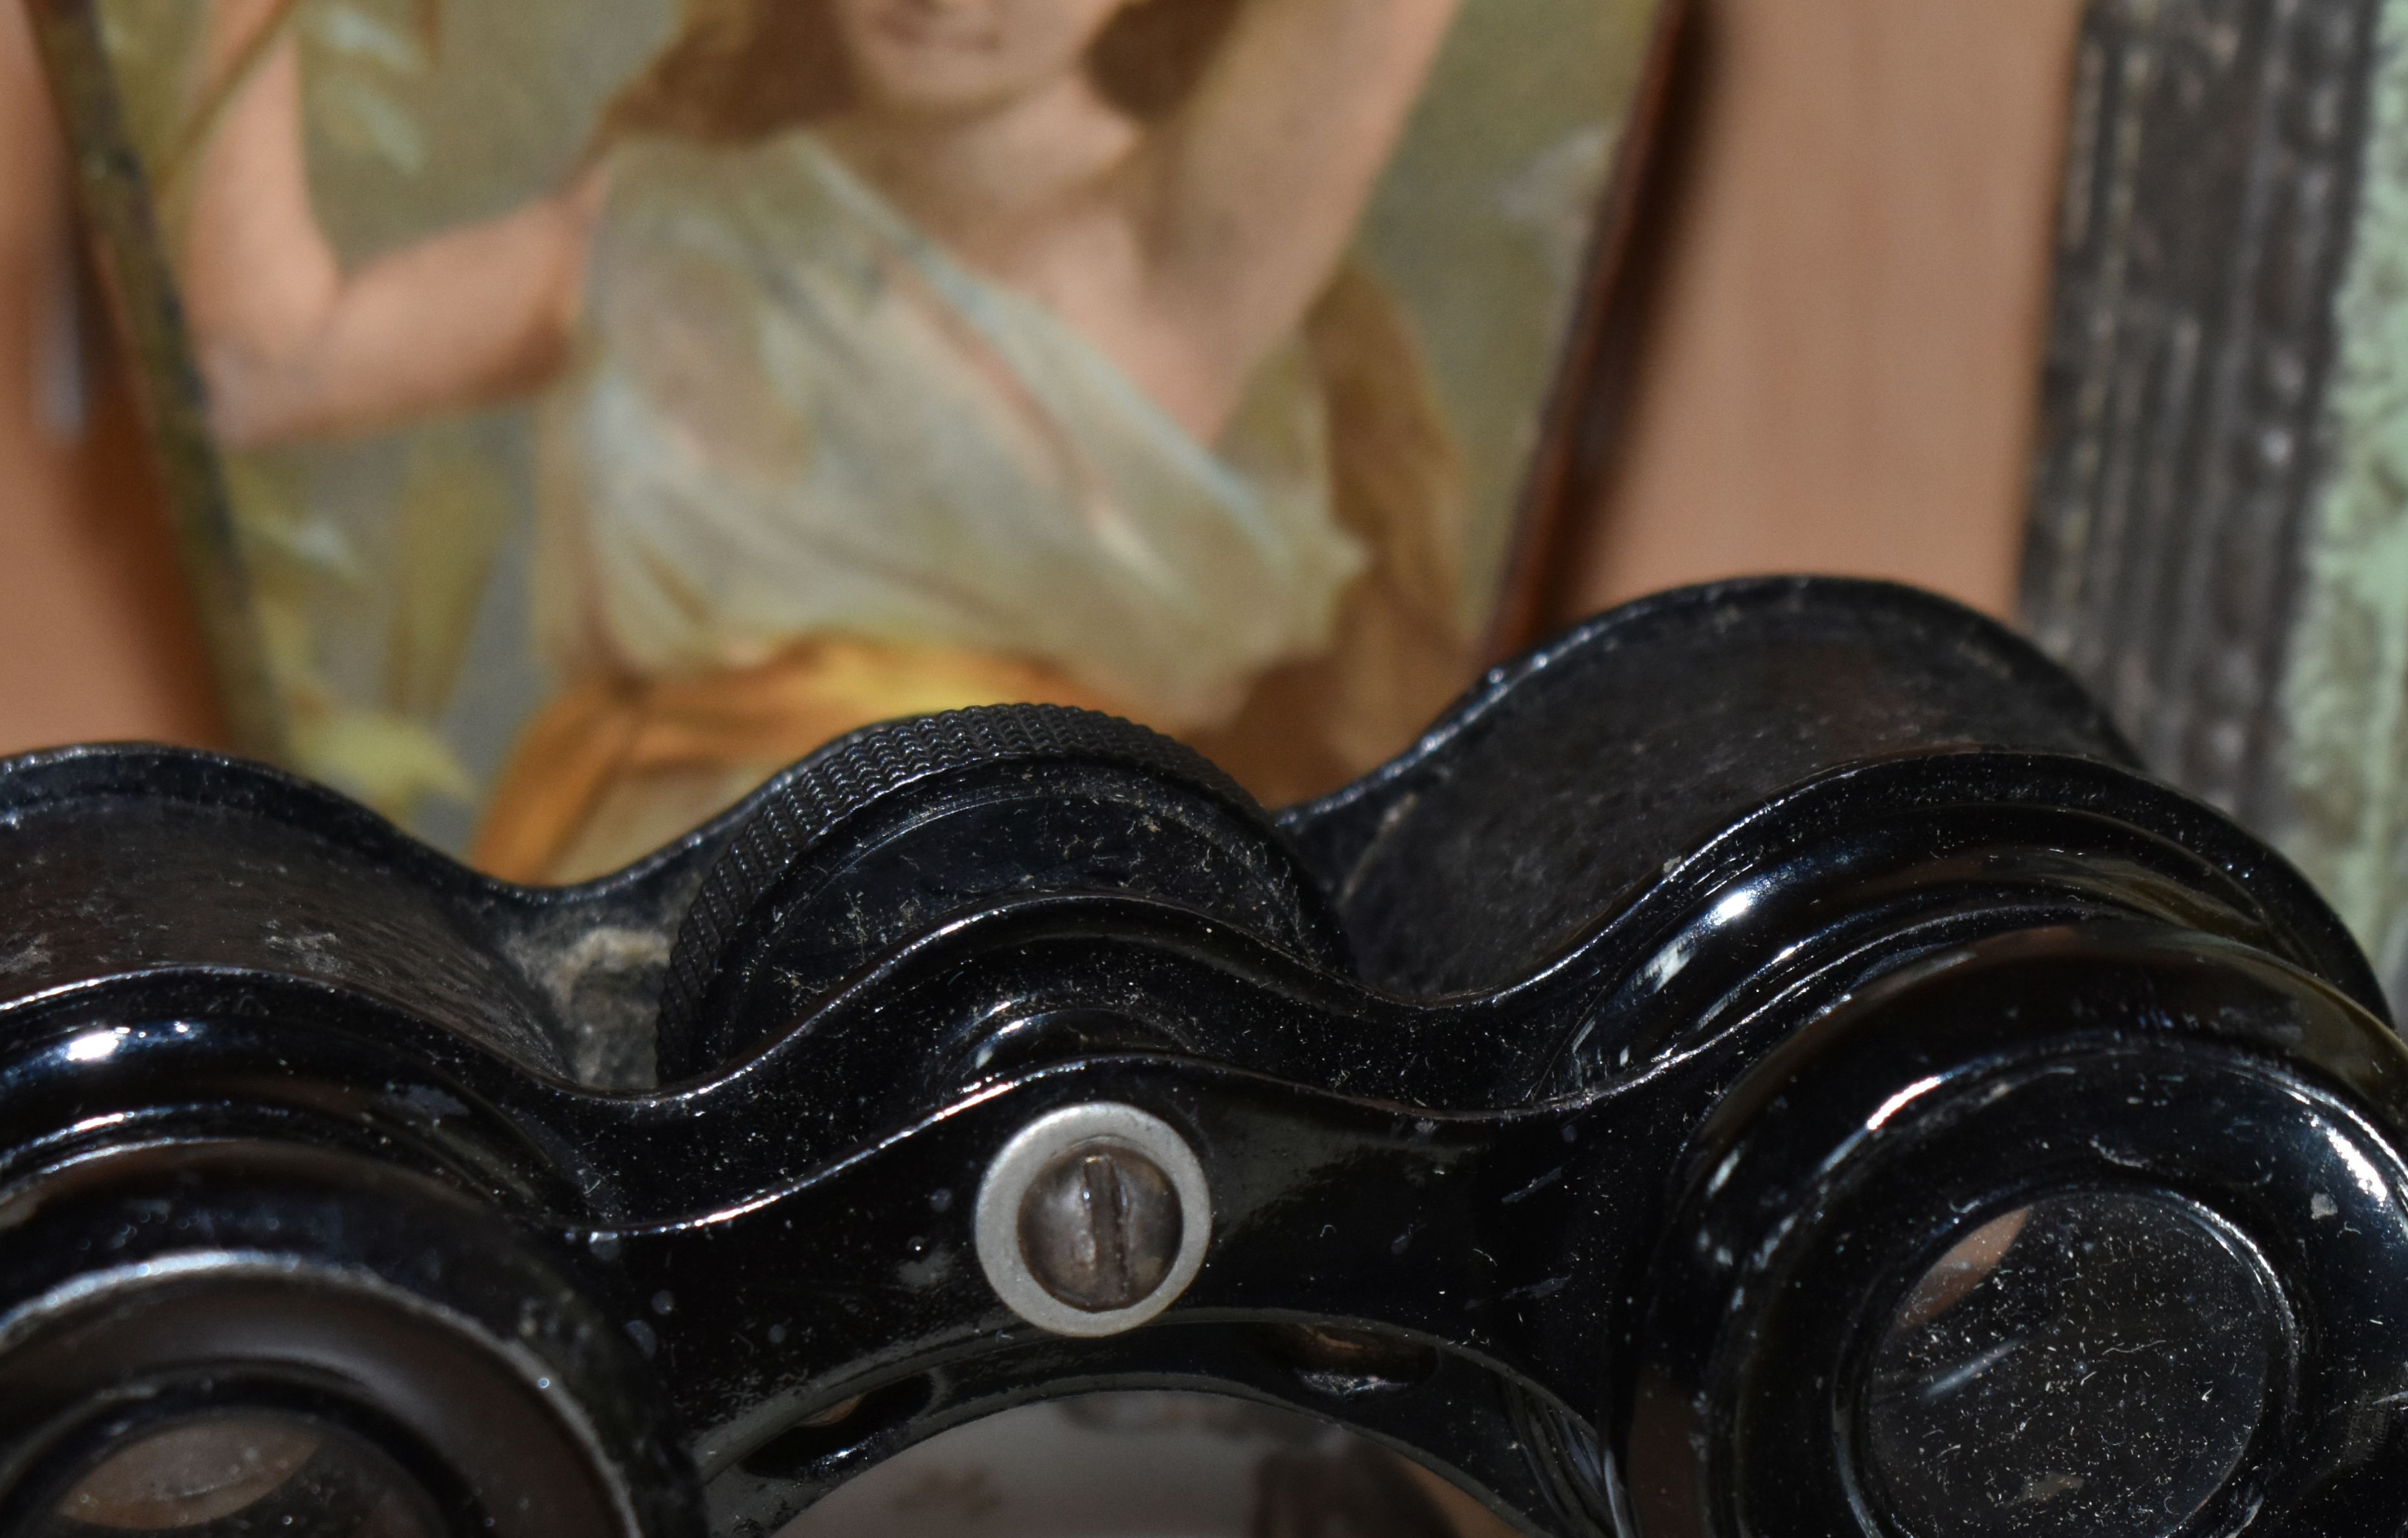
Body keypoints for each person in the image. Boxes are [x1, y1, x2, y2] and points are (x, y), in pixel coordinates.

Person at [182, 0, 1475, 882]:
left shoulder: (1181, 249)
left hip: (1002, 947)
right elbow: (252, 374)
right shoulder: (661, 222)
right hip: (637, 926)